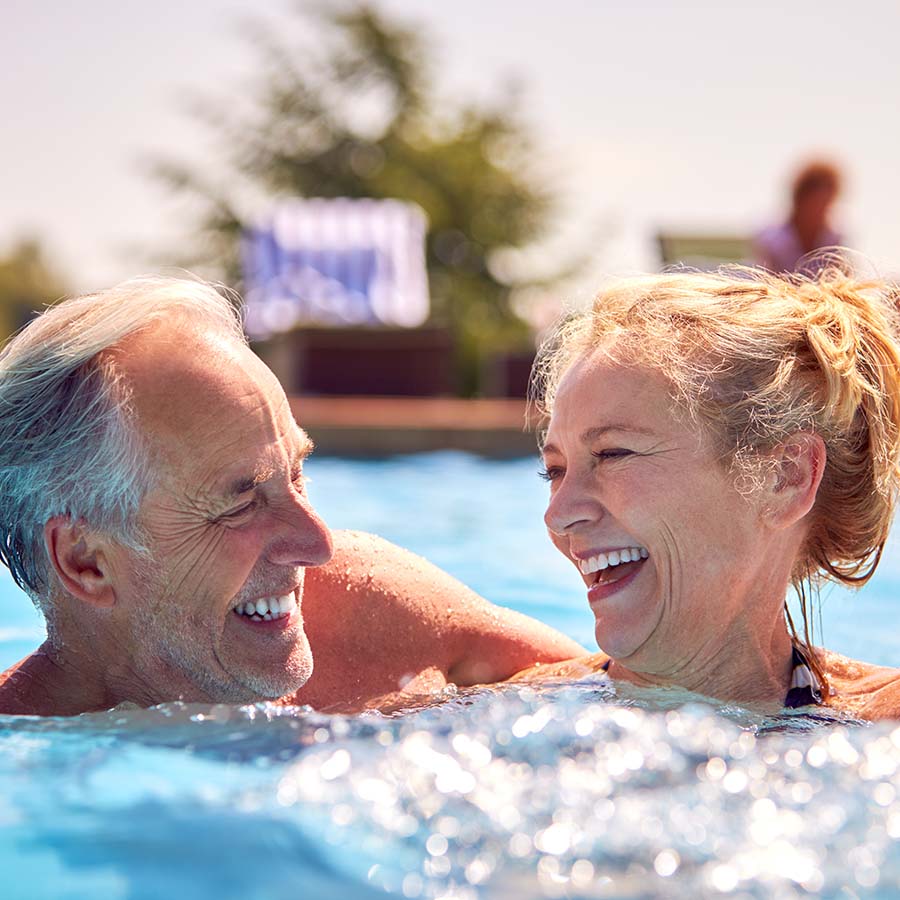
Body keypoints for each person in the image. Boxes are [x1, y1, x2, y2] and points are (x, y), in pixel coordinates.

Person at [0, 276, 583, 716]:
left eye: (297, 473)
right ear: (86, 562)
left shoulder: (363, 619)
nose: (317, 542)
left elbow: (618, 691)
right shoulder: (24, 752)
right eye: (242, 502)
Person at [511, 267, 900, 720]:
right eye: (554, 471)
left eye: (612, 453)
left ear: (785, 477)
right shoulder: (514, 707)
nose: (558, 515)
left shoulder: (879, 726)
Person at [754, 160, 844, 275]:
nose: (820, 210)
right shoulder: (773, 239)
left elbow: (840, 278)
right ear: (800, 199)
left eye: (826, 204)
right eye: (815, 203)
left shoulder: (835, 240)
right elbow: (766, 278)